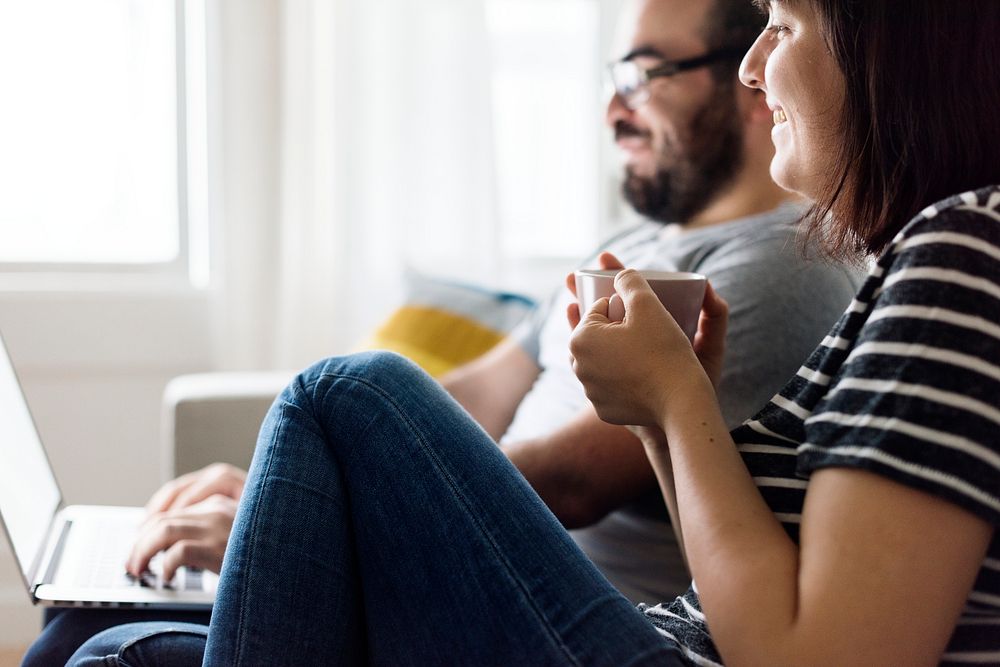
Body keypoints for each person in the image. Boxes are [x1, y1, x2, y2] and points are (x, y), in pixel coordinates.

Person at [68, 0, 1000, 663]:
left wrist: (677, 402)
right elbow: (767, 579)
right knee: (105, 642)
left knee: (345, 395)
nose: (761, 68)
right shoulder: (922, 258)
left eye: (785, 25)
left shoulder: (961, 251)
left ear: (889, 51)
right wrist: (662, 410)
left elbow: (820, 656)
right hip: (670, 632)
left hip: (657, 639)